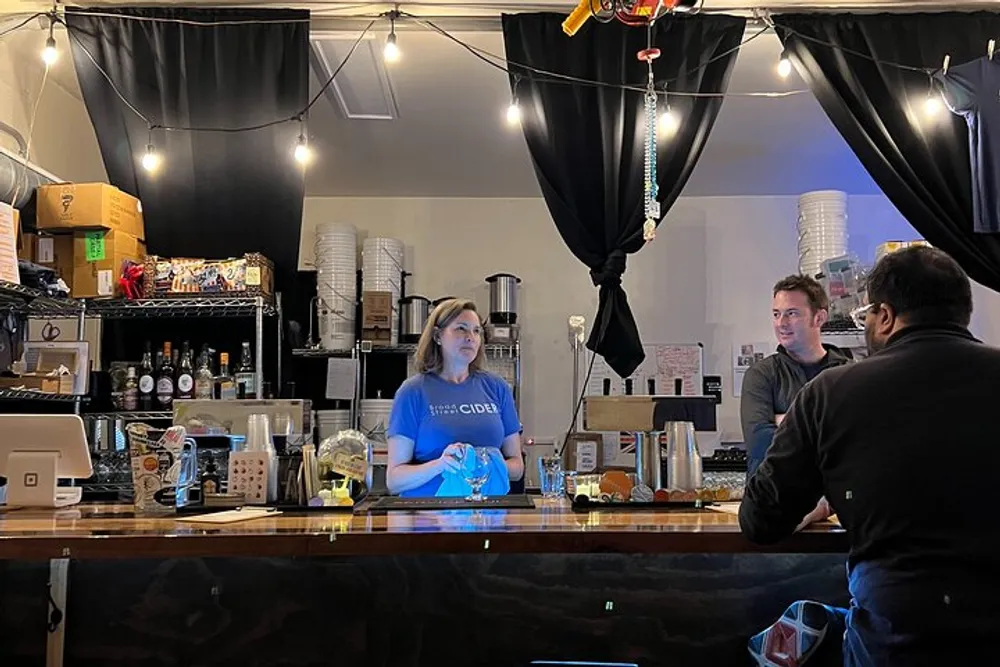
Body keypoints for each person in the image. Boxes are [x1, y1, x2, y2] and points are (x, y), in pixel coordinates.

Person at [740, 246, 1000, 665]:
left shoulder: (830, 393)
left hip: (894, 640)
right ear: (963, 312)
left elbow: (760, 521)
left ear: (884, 316)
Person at [386, 298, 524, 497]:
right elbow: (394, 481)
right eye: (461, 328)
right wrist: (441, 465)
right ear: (438, 336)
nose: (470, 337)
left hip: (487, 519)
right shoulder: (412, 392)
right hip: (428, 521)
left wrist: (482, 462)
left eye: (476, 331)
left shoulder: (497, 388)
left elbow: (517, 468)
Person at [740, 274, 850, 476]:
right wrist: (823, 426)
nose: (781, 323)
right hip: (774, 502)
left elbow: (856, 444)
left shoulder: (848, 374)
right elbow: (760, 443)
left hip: (834, 502)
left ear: (819, 318)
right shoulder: (761, 375)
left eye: (791, 313)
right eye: (776, 314)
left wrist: (785, 420)